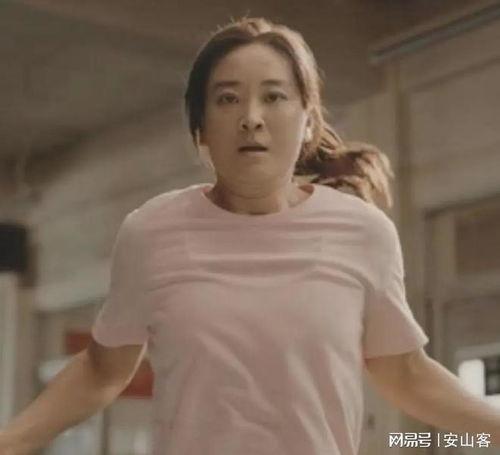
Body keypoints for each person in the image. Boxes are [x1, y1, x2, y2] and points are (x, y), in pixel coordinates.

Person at [1, 16, 499, 455]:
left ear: (307, 120)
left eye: (274, 96)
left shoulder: (363, 232)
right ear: (201, 129)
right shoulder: (151, 232)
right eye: (227, 99)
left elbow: (405, 373)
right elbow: (101, 370)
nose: (251, 118)